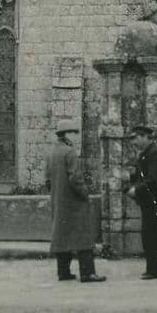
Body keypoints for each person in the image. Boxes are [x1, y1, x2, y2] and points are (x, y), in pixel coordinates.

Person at [45, 119, 106, 283]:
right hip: (74, 202)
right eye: (73, 133)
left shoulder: (52, 153)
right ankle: (87, 273)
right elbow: (75, 178)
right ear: (66, 134)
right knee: (83, 237)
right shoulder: (70, 152)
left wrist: (57, 194)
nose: (76, 136)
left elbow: (47, 181)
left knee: (61, 236)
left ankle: (63, 272)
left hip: (59, 202)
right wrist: (85, 193)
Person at [126, 124, 157, 279]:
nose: (133, 142)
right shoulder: (146, 153)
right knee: (150, 234)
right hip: (149, 200)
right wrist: (132, 177)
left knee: (150, 235)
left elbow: (152, 180)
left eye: (136, 138)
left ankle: (153, 270)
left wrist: (136, 190)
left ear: (145, 137)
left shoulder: (155, 154)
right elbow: (142, 177)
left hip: (154, 201)